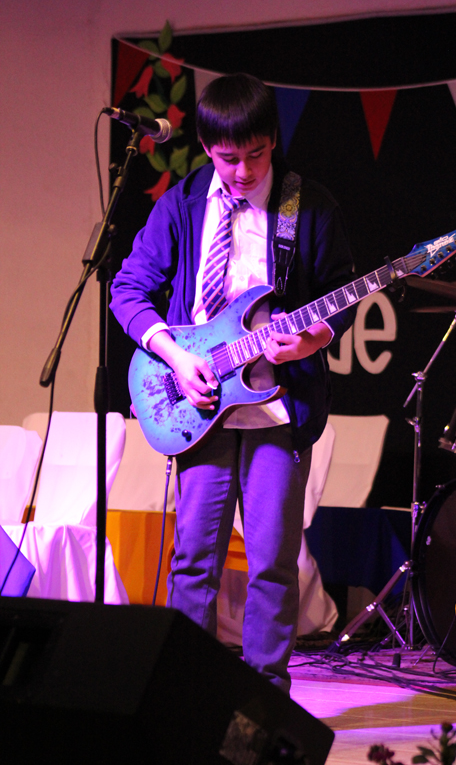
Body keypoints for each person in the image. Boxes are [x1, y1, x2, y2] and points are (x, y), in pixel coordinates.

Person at [110, 73, 356, 694]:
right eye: (227, 158)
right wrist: (174, 355)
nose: (242, 171)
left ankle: (263, 698)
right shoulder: (183, 202)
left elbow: (341, 297)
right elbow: (128, 289)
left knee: (273, 563)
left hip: (278, 407)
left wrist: (313, 339)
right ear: (205, 146)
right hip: (198, 405)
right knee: (193, 559)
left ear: (273, 139)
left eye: (256, 154)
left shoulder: (308, 205)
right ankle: (183, 693)